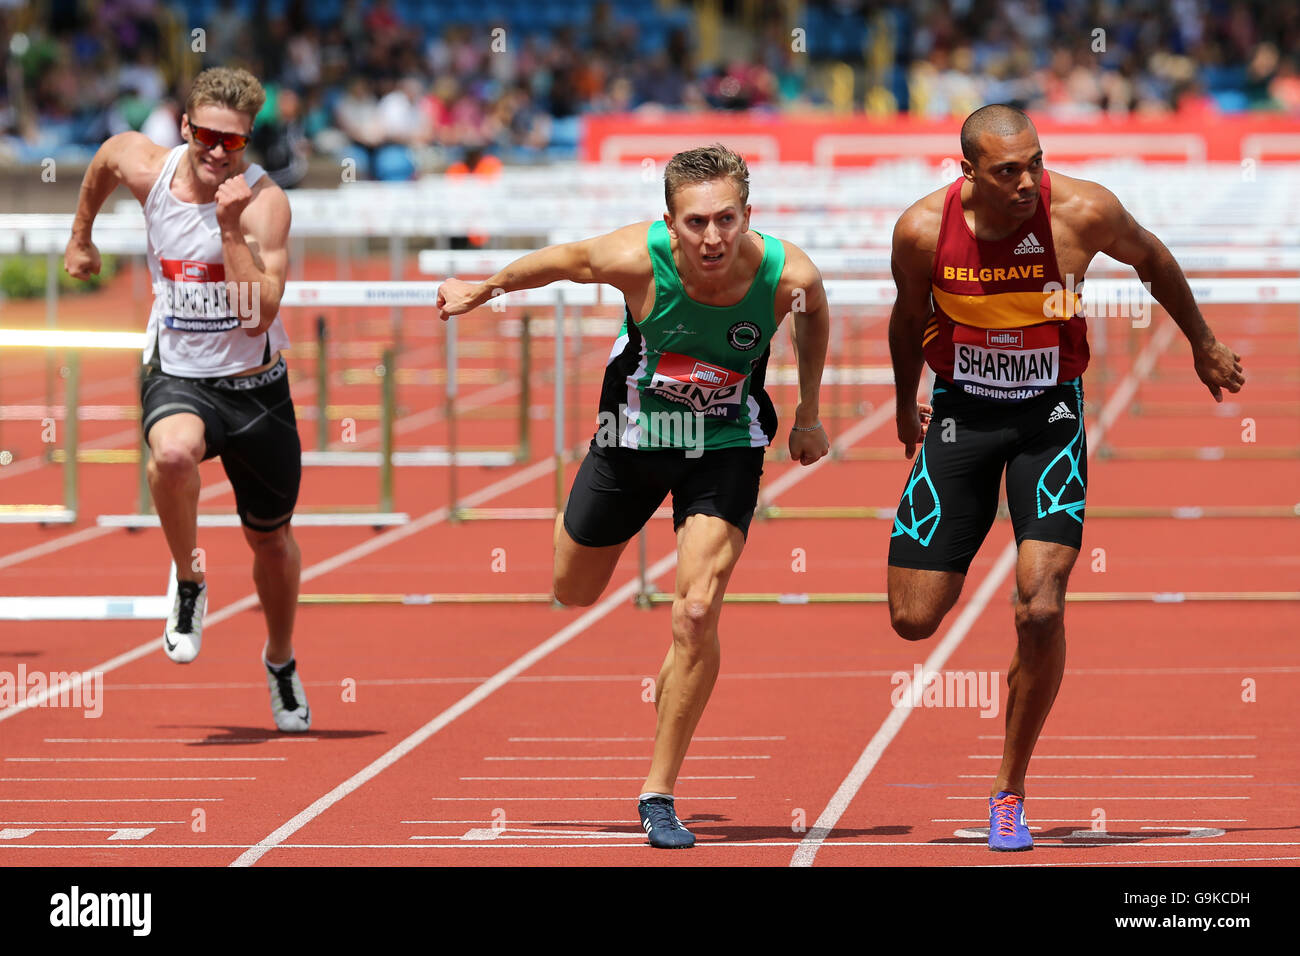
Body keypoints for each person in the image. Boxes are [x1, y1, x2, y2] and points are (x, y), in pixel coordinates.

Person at [436, 144, 831, 848]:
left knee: (698, 610)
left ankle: (659, 790)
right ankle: (645, 606)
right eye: (695, 223)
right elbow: (558, 261)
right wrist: (483, 287)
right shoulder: (632, 259)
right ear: (670, 223)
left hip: (724, 445)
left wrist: (806, 413)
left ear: (749, 215)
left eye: (726, 220)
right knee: (572, 590)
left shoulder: (787, 273)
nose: (712, 238)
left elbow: (815, 316)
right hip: (631, 440)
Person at [887, 104, 1245, 850]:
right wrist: (903, 403)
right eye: (1007, 171)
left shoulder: (1082, 212)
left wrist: (1202, 344)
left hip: (1049, 417)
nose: (1026, 182)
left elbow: (1152, 260)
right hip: (960, 416)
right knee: (914, 618)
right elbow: (905, 315)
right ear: (969, 173)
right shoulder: (922, 229)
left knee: (1040, 608)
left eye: (1035, 164)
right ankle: (975, 528)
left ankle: (1008, 792)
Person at [64, 66, 310, 733]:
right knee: (171, 458)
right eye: (206, 135)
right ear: (185, 127)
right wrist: (81, 234)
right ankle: (190, 579)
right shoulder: (150, 168)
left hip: (256, 390)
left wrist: (229, 230)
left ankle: (280, 660)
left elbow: (259, 315)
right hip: (179, 375)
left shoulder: (264, 205)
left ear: (247, 141)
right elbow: (109, 156)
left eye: (232, 142)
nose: (216, 151)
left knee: (272, 544)